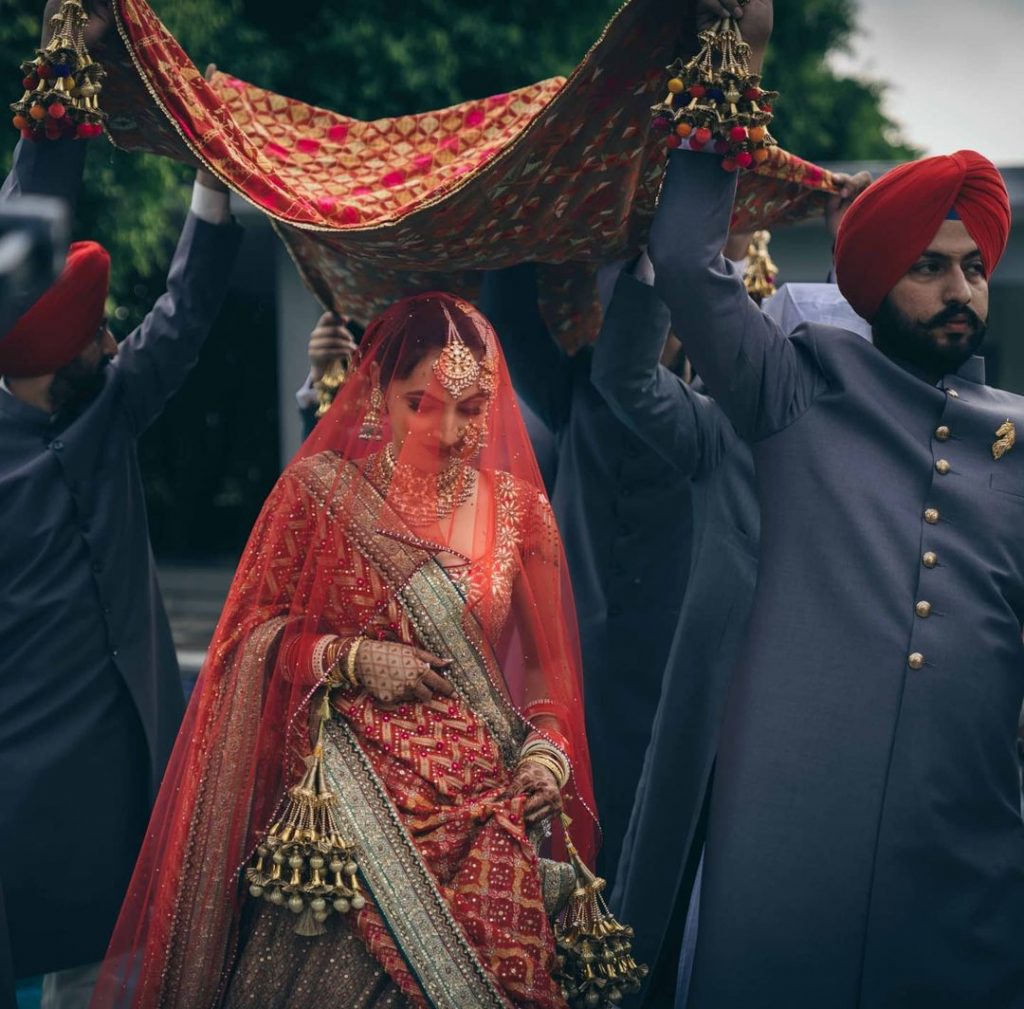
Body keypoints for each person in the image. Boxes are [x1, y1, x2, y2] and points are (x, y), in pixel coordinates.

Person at [644, 0, 1023, 1004]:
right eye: (929, 267)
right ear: (871, 280)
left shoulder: (1018, 436)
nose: (958, 289)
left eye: (973, 269)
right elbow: (686, 262)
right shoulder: (794, 386)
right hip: (791, 844)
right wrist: (737, 61)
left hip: (965, 857)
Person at [91, 292, 599, 1009]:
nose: (450, 429)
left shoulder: (523, 515)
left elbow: (551, 684)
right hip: (344, 826)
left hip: (486, 816)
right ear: (375, 394)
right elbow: (246, 642)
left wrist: (546, 755)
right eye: (422, 402)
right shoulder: (317, 498)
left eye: (472, 405)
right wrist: (354, 658)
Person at [0, 4, 241, 1001]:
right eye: (97, 338)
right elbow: (18, 245)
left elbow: (182, 321)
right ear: (56, 358)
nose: (115, 343)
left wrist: (214, 186)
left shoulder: (106, 410)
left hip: (136, 779)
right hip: (19, 802)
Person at [601, 181, 870, 1009]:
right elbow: (626, 379)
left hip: (829, 756)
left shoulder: (876, 459)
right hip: (714, 739)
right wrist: (654, 264)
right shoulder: (725, 434)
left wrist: (858, 250)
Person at [481, 264, 693, 884]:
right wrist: (522, 210)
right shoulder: (578, 383)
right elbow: (510, 321)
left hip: (675, 653)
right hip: (577, 649)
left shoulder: (721, 400)